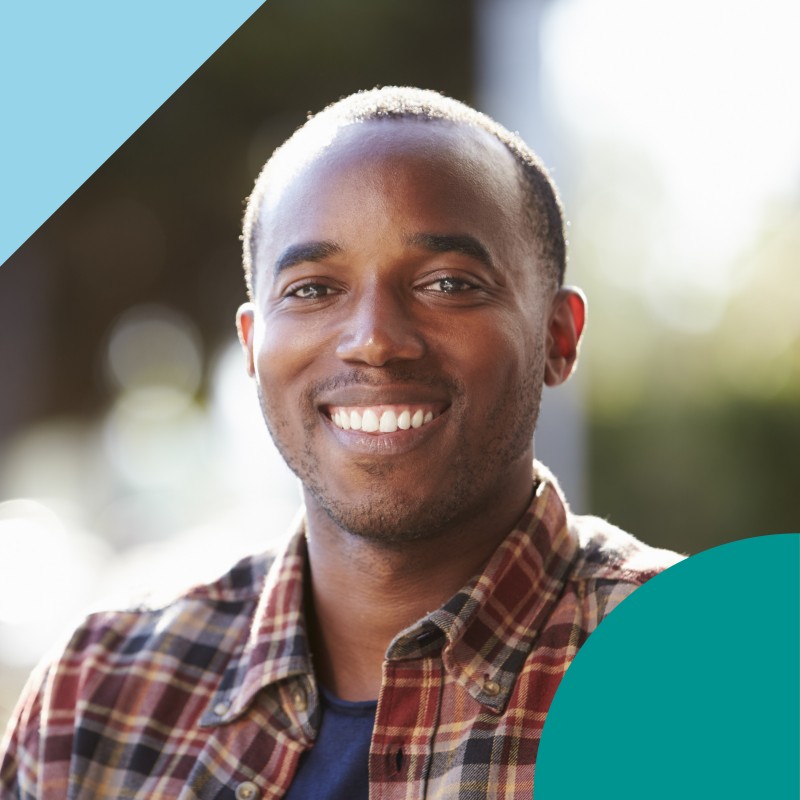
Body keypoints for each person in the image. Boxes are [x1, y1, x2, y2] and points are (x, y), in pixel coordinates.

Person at [0, 87, 682, 799]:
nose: (375, 339)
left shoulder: (695, 674)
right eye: (312, 289)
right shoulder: (99, 695)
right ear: (254, 345)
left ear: (557, 337)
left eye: (447, 283)